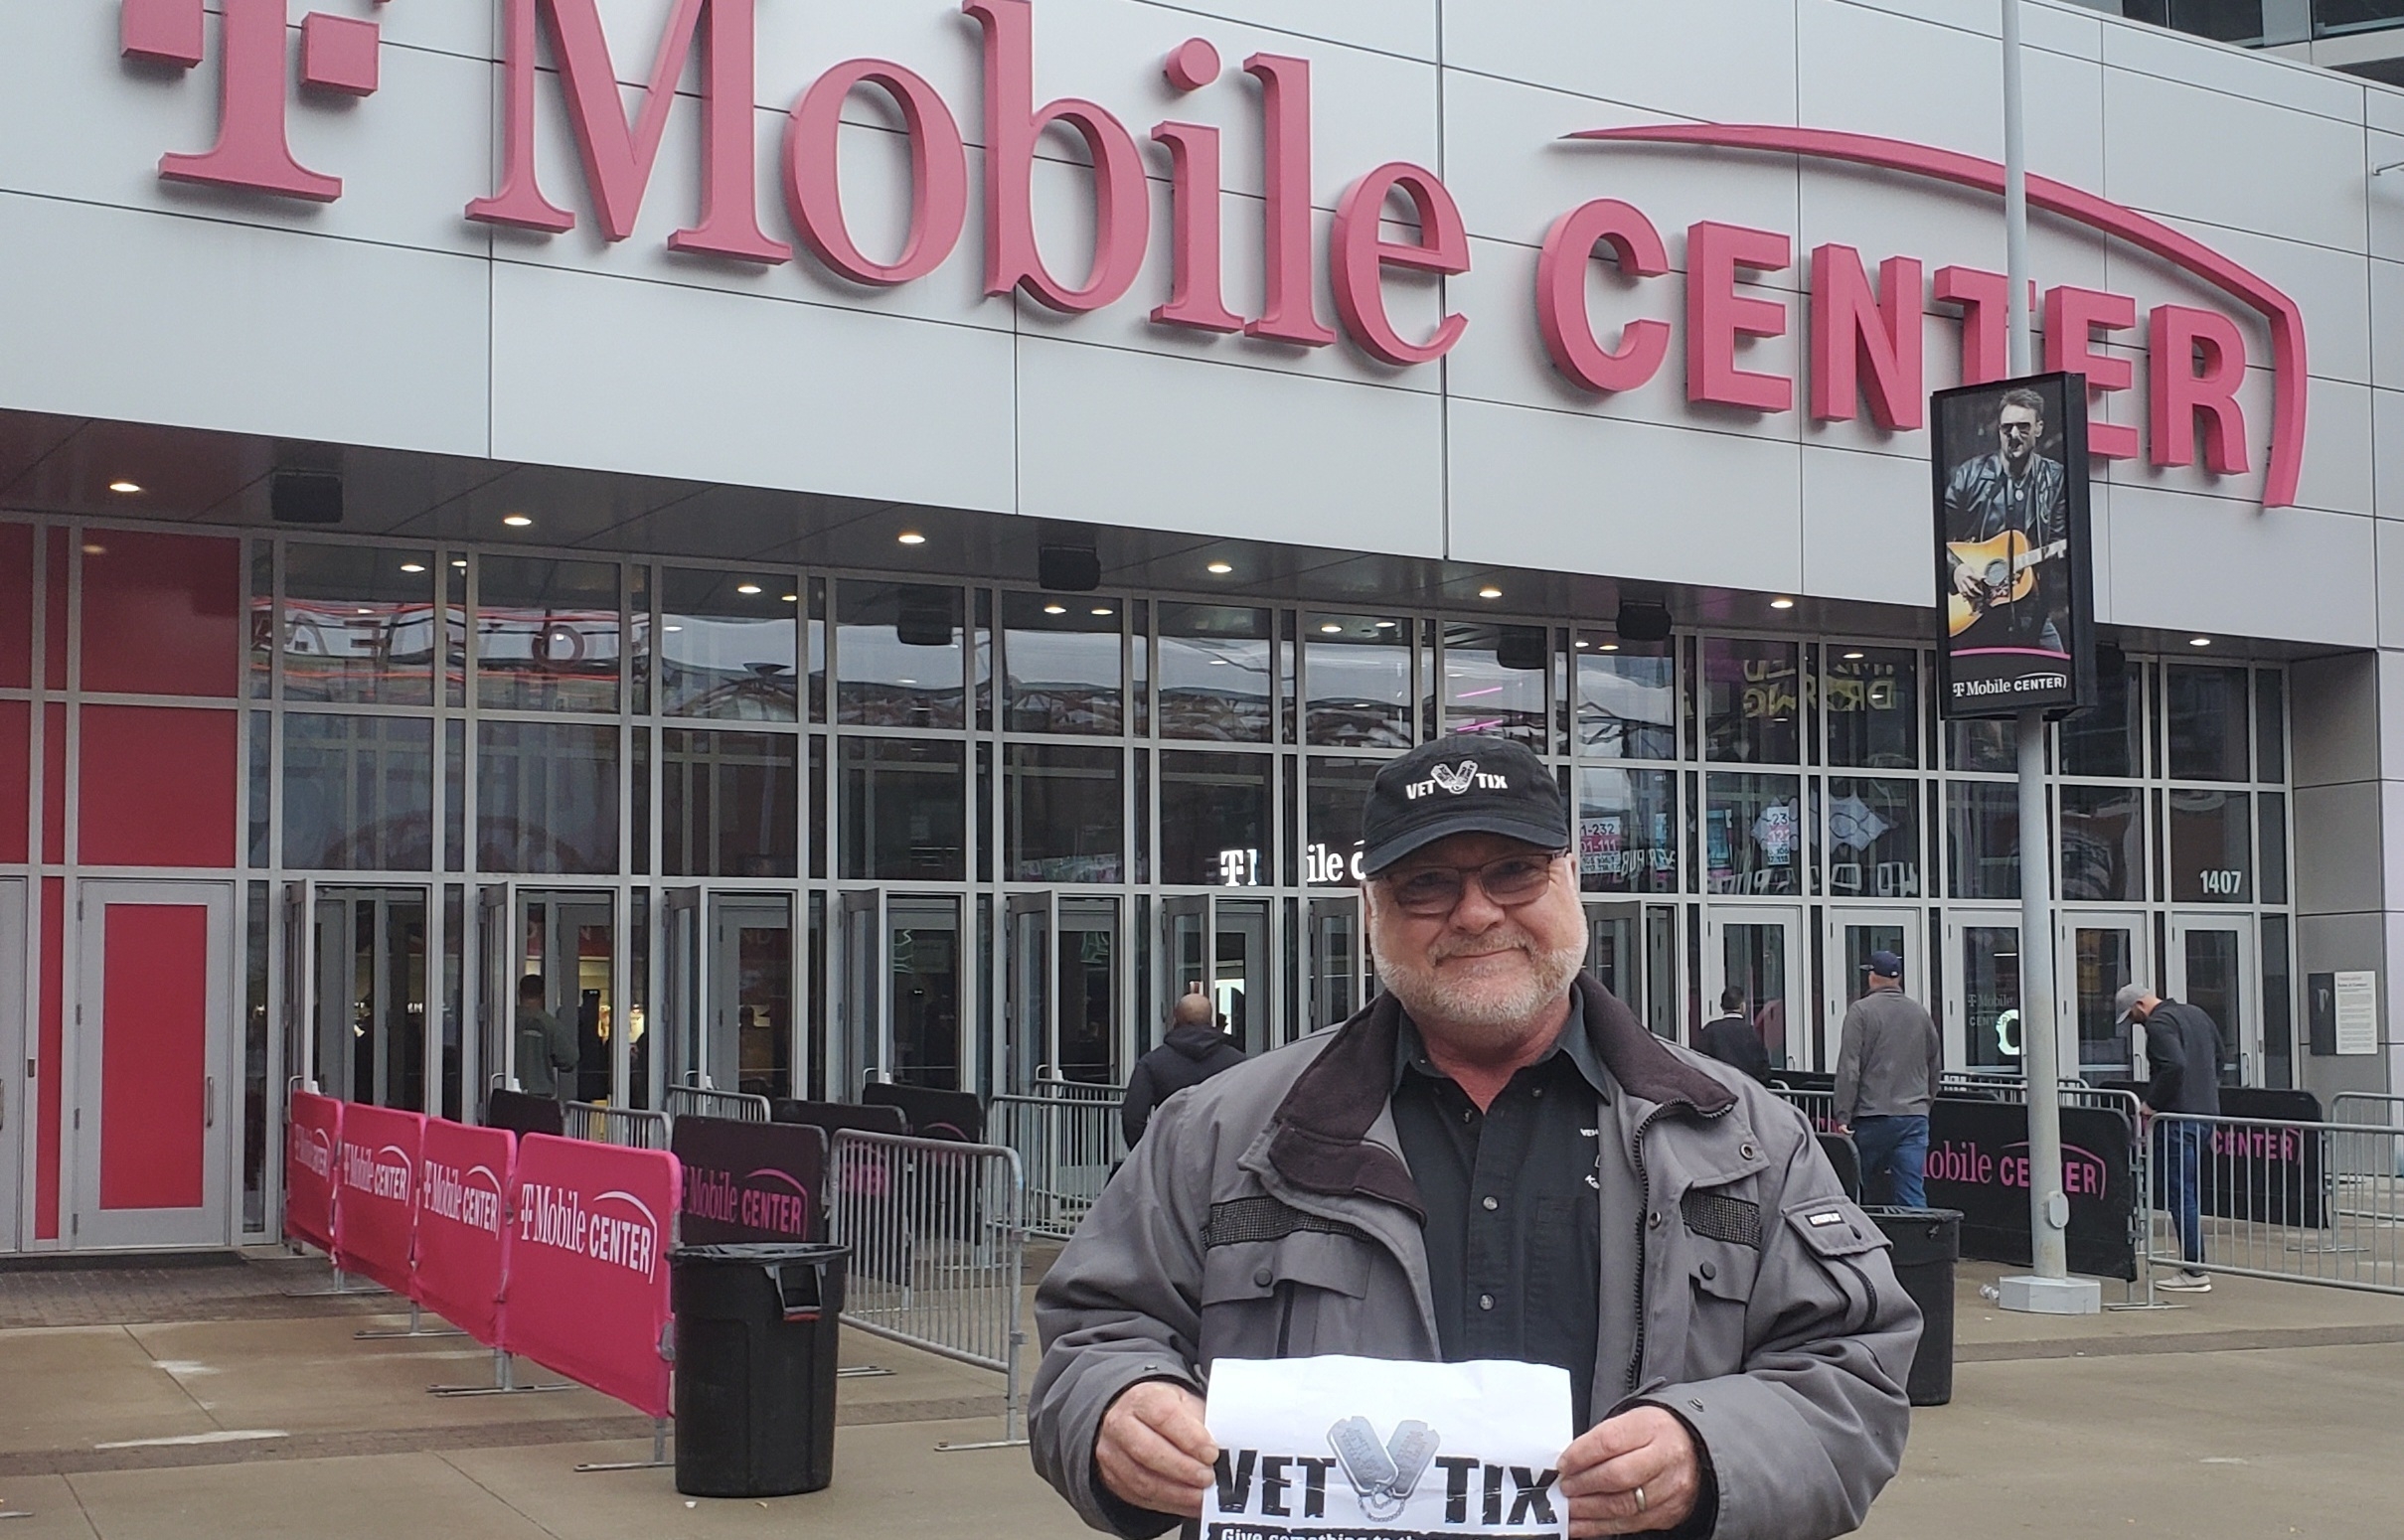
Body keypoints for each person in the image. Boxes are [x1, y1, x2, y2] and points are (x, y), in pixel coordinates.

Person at [1032, 734, 1916, 1540]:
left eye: (1513, 872)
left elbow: (1850, 1379)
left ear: (1570, 880)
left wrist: (1706, 1452)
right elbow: (1096, 1334)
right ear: (1371, 909)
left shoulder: (1746, 1137)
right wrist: (1118, 1407)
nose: (1475, 913)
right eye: (1426, 883)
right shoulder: (1217, 1133)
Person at [1944, 385, 2070, 655]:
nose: (2014, 435)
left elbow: (2061, 543)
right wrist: (1956, 569)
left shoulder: (2055, 478)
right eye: (2007, 428)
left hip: (2029, 608)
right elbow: (1934, 533)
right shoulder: (1970, 474)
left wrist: (2043, 561)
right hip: (1975, 606)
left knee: (2057, 668)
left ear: (2039, 428)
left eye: (2023, 427)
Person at [2119, 983, 2223, 1294]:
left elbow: (2174, 1065)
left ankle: (2194, 1268)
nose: (2134, 1023)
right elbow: (2219, 1057)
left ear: (2140, 1005)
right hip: (2205, 1114)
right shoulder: (2197, 1014)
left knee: (2180, 1192)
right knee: (2187, 1190)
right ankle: (2194, 1265)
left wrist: (2152, 1103)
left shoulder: (2160, 1024)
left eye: (2131, 1016)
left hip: (2177, 1117)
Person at [1833, 952, 1944, 1209]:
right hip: (1914, 1116)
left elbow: (1849, 1068)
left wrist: (1843, 1115)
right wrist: (1925, 1103)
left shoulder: (1861, 1011)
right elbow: (1934, 1065)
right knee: (1911, 1192)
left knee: (1858, 1188)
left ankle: (1861, 1234)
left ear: (1872, 976)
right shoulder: (1919, 1013)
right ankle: (1918, 1235)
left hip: (1872, 1115)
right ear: (1899, 978)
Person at [1119, 990, 1246, 1148]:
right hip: (1221, 1151)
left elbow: (1133, 1117)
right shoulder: (1238, 1063)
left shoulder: (1152, 1063)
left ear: (1175, 1019)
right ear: (1210, 1020)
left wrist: (1148, 1153)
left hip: (1171, 1151)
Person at [512, 975, 577, 1101]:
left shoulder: (505, 1023)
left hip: (509, 1094)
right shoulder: (550, 1024)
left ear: (520, 993)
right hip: (540, 1097)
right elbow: (569, 1059)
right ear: (542, 994)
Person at [1695, 986, 1772, 1084]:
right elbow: (1763, 1068)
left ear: (1721, 1006)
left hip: (1720, 1086)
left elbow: (1700, 1063)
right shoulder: (1751, 1032)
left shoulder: (1710, 1030)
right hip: (1746, 1086)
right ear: (1743, 1006)